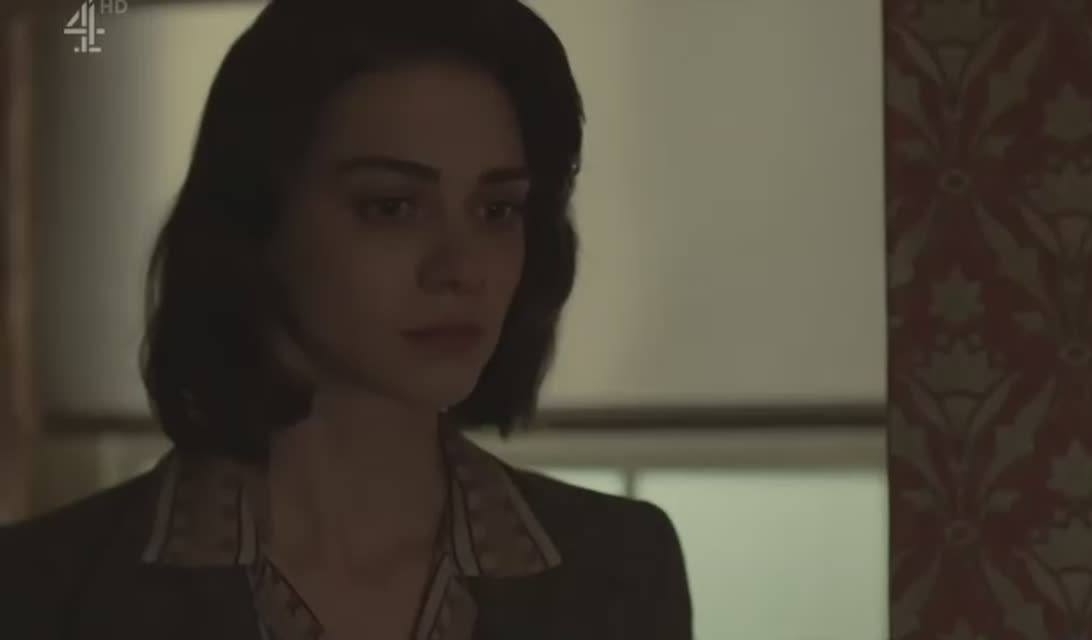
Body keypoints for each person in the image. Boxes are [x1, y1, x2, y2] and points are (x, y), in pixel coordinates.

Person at [0, 0, 693, 638]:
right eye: (391, 207)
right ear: (258, 220)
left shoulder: (621, 569)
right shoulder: (39, 589)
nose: (461, 267)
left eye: (496, 210)